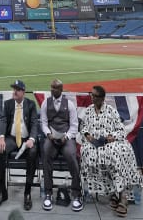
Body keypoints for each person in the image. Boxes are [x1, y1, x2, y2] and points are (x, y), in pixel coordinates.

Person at [80, 85, 142, 218]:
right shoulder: (88, 111)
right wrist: (87, 135)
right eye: (91, 94)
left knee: (116, 155)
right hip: (93, 144)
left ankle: (123, 196)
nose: (92, 97)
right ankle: (115, 193)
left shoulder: (111, 111)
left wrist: (112, 137)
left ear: (102, 98)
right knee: (91, 154)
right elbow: (83, 127)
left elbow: (121, 130)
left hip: (109, 142)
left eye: (95, 96)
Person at [0, 79, 38, 212]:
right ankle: (2, 191)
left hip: (26, 139)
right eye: (14, 89)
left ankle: (27, 193)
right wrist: (1, 137)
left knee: (33, 152)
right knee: (0, 149)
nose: (15, 91)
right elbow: (3, 120)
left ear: (23, 92)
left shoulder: (31, 104)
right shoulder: (8, 104)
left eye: (17, 89)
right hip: (12, 139)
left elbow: (35, 123)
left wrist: (32, 139)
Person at [40, 79, 83, 212]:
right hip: (52, 138)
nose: (53, 90)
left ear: (61, 89)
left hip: (66, 138)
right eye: (52, 87)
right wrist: (48, 134)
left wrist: (67, 137)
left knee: (72, 155)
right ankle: (48, 193)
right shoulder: (45, 103)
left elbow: (75, 125)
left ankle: (76, 193)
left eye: (56, 88)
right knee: (46, 153)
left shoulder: (69, 104)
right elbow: (44, 123)